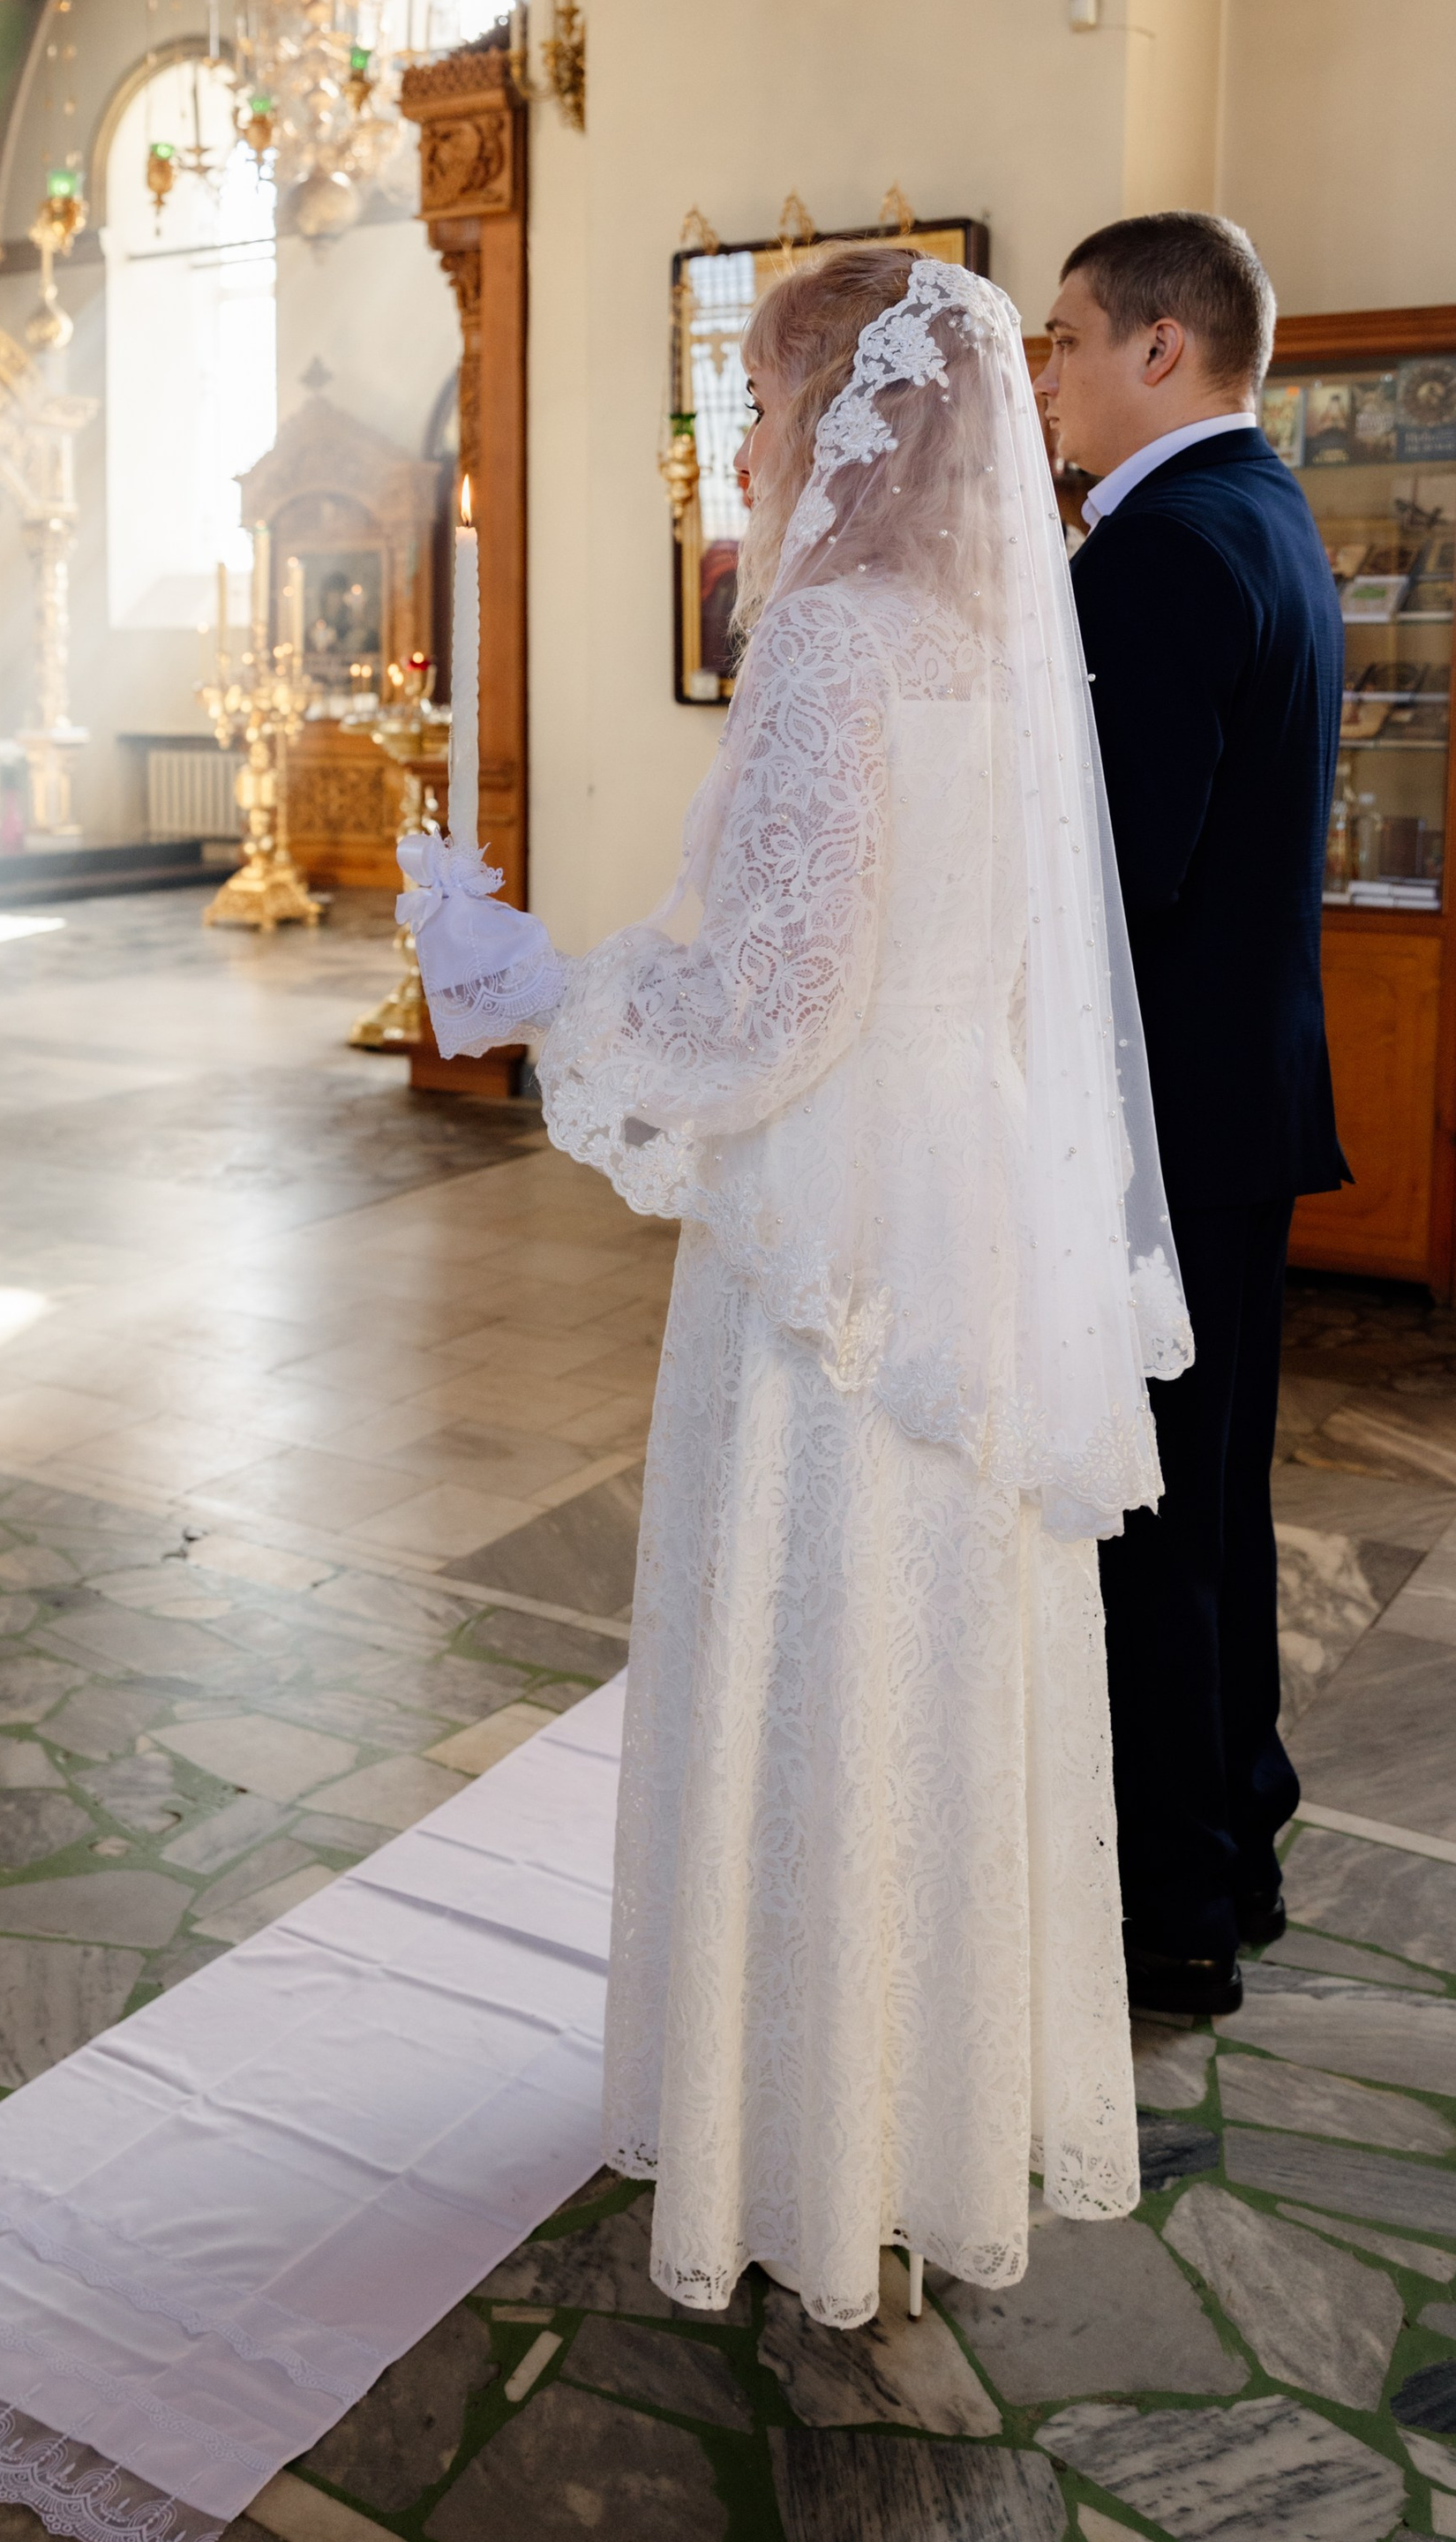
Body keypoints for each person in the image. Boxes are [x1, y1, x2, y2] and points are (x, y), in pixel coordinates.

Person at [402, 250, 1183, 2325]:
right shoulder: (990, 636)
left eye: (751, 401)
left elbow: (778, 995)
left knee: (810, 1627)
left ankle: (803, 2132)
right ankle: (924, 2098)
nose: (735, 444)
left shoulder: (833, 641)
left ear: (845, 410)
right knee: (933, 1646)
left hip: (837, 1218)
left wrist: (541, 998)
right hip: (972, 1193)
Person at [1039, 213, 1345, 2019]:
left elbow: (1110, 884)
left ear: (1160, 347)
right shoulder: (1265, 510)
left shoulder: (1151, 552)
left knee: (1143, 1524)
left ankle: (1168, 1914)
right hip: (1240, 1104)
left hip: (1153, 1126)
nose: (1046, 374)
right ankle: (1233, 1828)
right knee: (1207, 1502)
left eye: (1066, 337)